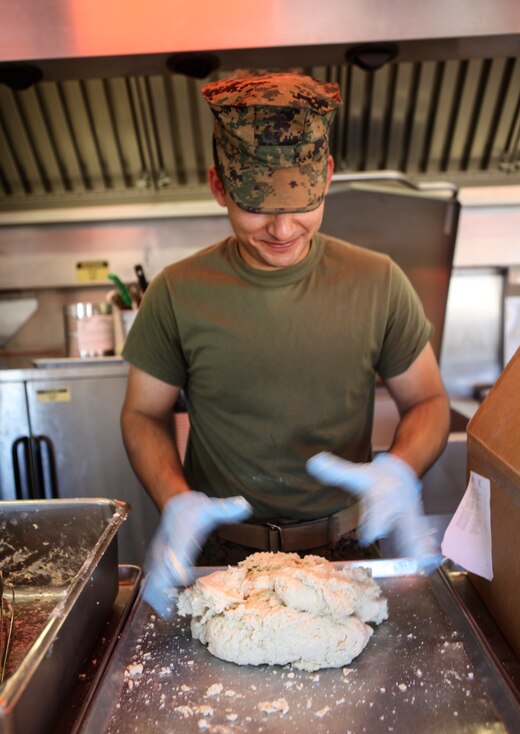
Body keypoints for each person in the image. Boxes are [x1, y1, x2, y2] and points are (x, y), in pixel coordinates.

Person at [120, 71, 451, 618]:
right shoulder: (177, 293)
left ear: (327, 173)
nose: (282, 228)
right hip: (220, 563)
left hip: (347, 557)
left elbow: (429, 402)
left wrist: (402, 469)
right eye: (258, 205)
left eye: (300, 201)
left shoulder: (378, 281)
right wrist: (174, 499)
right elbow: (141, 414)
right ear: (219, 185)